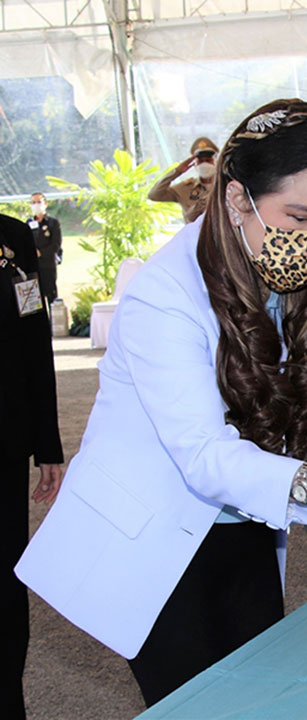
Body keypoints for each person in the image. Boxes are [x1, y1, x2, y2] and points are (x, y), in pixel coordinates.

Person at [15, 99, 307, 707]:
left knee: (261, 693)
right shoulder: (164, 294)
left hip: (242, 521)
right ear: (236, 199)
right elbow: (203, 453)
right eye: (298, 216)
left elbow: (264, 422)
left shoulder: (277, 272)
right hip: (154, 540)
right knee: (196, 703)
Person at [1, 213, 63, 720]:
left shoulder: (13, 237)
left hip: (4, 437)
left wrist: (47, 443)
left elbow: (34, 336)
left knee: (5, 586)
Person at [148, 136, 220, 224]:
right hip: (194, 232)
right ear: (194, 164)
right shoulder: (184, 188)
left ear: (216, 161)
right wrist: (176, 172)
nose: (204, 164)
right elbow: (154, 195)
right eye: (200, 161)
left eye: (208, 160)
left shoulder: (225, 186)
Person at [26, 193, 62, 307]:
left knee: (51, 295)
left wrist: (41, 253)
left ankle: (54, 317)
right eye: (33, 202)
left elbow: (56, 244)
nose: (36, 205)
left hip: (48, 264)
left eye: (39, 202)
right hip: (34, 266)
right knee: (36, 298)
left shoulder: (52, 223)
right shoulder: (28, 223)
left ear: (45, 204)